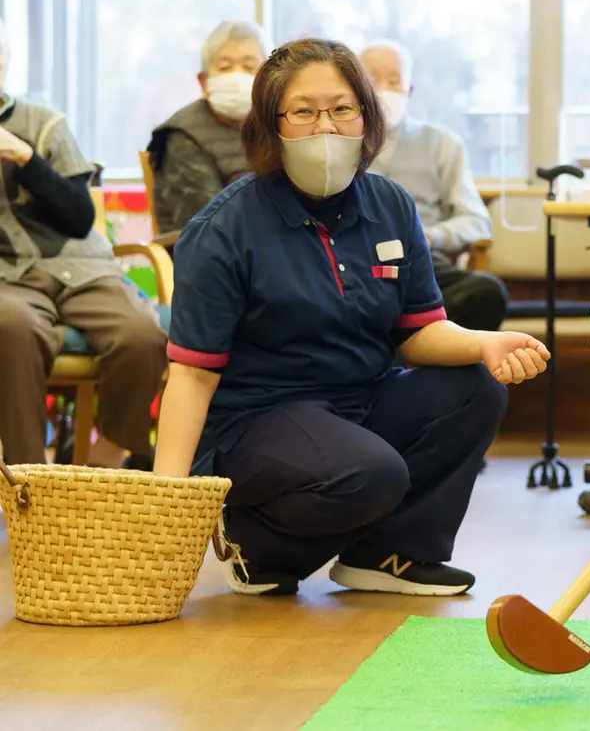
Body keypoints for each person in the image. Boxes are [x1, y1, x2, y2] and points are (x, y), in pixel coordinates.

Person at [153, 39, 549, 597]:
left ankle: (389, 555)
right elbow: (191, 376)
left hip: (358, 401)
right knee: (372, 473)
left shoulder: (390, 204)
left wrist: (486, 344)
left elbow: (419, 334)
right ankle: (257, 544)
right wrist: (166, 509)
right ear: (271, 124)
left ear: (367, 115)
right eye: (304, 112)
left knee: (476, 387)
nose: (326, 127)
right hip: (256, 422)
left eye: (342, 108)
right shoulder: (224, 228)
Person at [0, 17, 167, 468]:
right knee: (12, 327)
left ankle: (107, 456)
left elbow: (79, 217)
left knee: (140, 334)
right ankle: (27, 481)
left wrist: (24, 157)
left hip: (81, 267)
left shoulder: (43, 124)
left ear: (6, 61)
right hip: (8, 280)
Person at [360, 40, 507, 332]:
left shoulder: (442, 144)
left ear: (409, 90)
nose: (383, 90)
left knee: (486, 292)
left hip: (421, 262)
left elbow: (477, 222)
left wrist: (433, 236)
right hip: (356, 261)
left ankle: (412, 341)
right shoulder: (339, 141)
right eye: (372, 81)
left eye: (393, 81)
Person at [146, 20, 270, 240]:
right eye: (224, 67)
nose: (237, 76)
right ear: (204, 82)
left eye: (250, 67)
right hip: (215, 256)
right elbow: (209, 220)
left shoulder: (278, 127)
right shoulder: (183, 136)